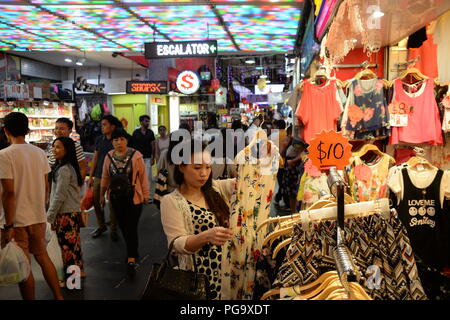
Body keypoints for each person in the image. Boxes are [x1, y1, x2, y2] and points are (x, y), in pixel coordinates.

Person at [160, 139, 234, 300]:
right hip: (198, 277)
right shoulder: (171, 201)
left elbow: (248, 181)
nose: (204, 174)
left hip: (228, 272)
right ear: (181, 167)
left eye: (208, 167)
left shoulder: (216, 188)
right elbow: (177, 244)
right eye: (197, 168)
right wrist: (206, 236)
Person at [0, 112, 63, 300]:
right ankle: (59, 297)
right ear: (27, 130)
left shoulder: (4, 155)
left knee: (24, 264)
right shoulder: (39, 153)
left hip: (17, 219)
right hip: (37, 216)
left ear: (6, 131)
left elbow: (9, 193)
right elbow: (46, 185)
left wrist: (8, 225)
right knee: (43, 257)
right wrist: (40, 208)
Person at [100, 128, 150, 275]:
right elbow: (105, 177)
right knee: (123, 226)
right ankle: (132, 249)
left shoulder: (136, 156)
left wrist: (146, 195)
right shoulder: (108, 156)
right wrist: (101, 195)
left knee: (131, 226)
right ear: (112, 142)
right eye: (116, 140)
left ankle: (131, 255)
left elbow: (143, 177)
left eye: (122, 139)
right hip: (116, 198)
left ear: (126, 140)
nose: (119, 142)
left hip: (134, 198)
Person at [47, 137, 85, 280]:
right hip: (70, 212)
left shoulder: (63, 170)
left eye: (58, 147)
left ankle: (72, 282)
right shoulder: (68, 167)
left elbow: (59, 196)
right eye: (54, 146)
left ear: (67, 150)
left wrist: (50, 215)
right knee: (73, 247)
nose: (54, 150)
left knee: (68, 249)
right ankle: (76, 277)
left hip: (65, 214)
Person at [88, 115, 121, 240]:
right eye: (101, 125)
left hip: (113, 176)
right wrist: (90, 176)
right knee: (97, 201)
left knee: (113, 203)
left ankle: (113, 228)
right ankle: (101, 225)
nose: (102, 127)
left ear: (112, 126)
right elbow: (95, 157)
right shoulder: (99, 139)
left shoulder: (118, 140)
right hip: (99, 174)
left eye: (105, 124)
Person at [131, 115, 156, 202]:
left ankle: (147, 196)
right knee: (137, 176)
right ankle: (139, 194)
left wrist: (153, 157)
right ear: (141, 122)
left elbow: (153, 146)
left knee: (147, 176)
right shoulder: (135, 133)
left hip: (148, 157)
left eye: (148, 121)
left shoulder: (150, 133)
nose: (147, 123)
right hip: (138, 158)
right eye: (146, 121)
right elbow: (132, 146)